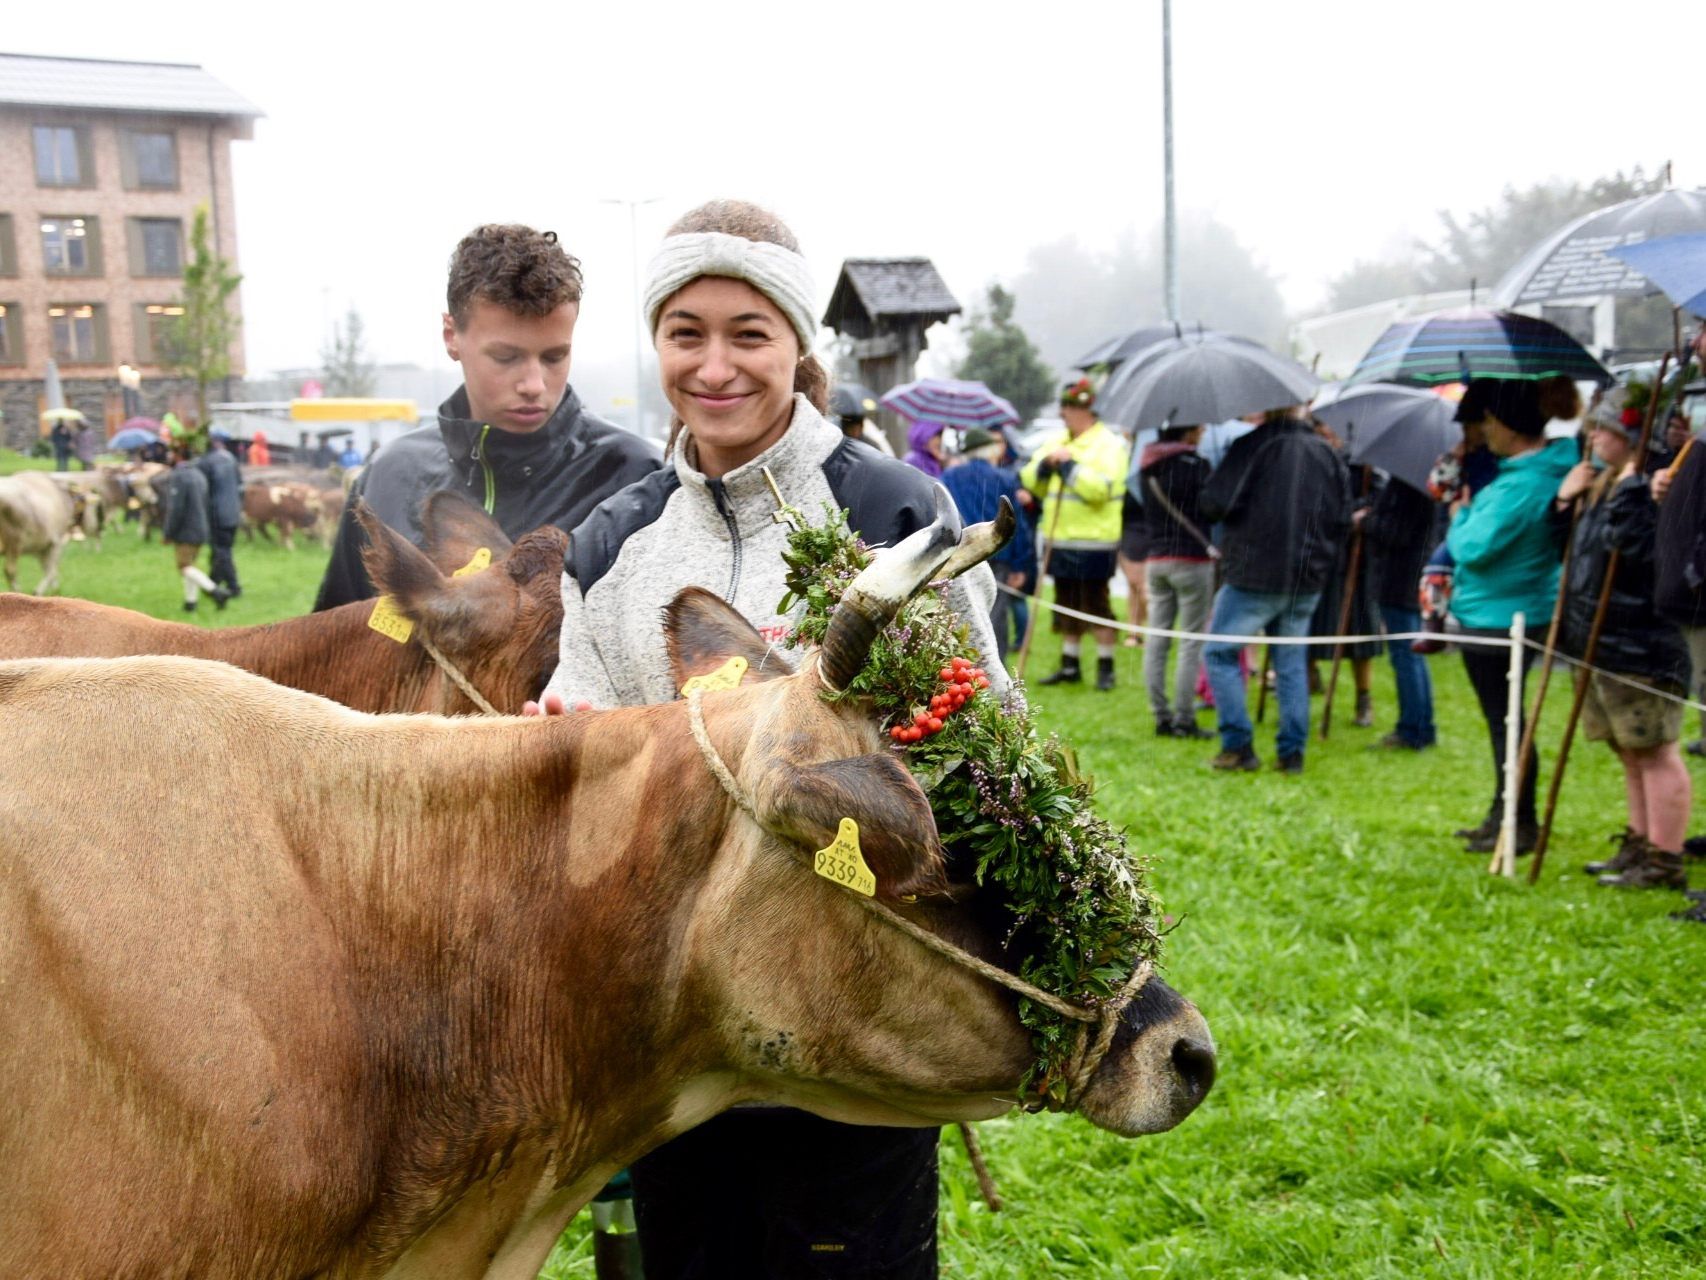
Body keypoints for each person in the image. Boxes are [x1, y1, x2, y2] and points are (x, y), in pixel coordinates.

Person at [536, 199, 1004, 1279]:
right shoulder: (614, 541)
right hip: (677, 1026)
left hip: (856, 1017)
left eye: (747, 332)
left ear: (797, 342)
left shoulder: (890, 513)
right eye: (684, 331)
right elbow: (582, 721)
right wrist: (568, 741)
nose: (714, 364)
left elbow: (985, 743)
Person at [314, 223, 660, 610]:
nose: (533, 383)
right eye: (506, 357)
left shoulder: (636, 479)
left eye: (554, 357)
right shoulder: (389, 475)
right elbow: (332, 649)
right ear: (451, 335)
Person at [1552, 399, 1693, 890]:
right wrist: (1565, 502)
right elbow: (1571, 554)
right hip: (1599, 638)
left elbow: (1641, 551)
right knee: (1629, 751)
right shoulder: (1600, 485)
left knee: (1655, 750)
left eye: (1602, 431)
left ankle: (1664, 858)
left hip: (1641, 642)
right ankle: (1639, 842)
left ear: (1630, 436)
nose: (1592, 439)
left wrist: (1634, 489)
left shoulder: (1656, 485)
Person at [1444, 377, 1579, 854]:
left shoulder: (1523, 483)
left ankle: (1518, 822)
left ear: (1505, 425)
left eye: (1487, 421)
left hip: (1501, 616)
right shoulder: (1541, 470)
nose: (1485, 430)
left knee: (1507, 723)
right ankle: (1504, 812)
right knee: (1505, 721)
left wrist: (1460, 516)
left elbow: (1473, 548)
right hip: (1512, 608)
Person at [1198, 406, 1350, 774]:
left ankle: (1238, 746)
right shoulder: (1325, 450)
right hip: (1305, 574)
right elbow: (1343, 516)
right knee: (1291, 663)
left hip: (1256, 572)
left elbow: (1214, 504)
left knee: (1219, 654)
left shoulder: (1253, 446)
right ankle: (1291, 753)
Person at [1019, 377, 1129, 691]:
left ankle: (1106, 667)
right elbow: (1029, 479)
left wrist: (1070, 468)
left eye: (1070, 408)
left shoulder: (1109, 444)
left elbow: (1102, 490)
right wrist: (1045, 467)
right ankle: (1070, 665)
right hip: (1059, 539)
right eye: (1065, 408)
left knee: (1096, 604)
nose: (1065, 414)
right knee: (1064, 602)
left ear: (1087, 410)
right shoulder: (1057, 441)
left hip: (1095, 541)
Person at [1136, 423, 1215, 737]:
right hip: (1192, 558)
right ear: (1189, 432)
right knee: (1190, 641)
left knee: (1156, 641)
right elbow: (1211, 509)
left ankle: (1161, 715)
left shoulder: (1147, 466)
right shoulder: (1199, 466)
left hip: (1157, 559)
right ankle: (1184, 718)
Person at [1359, 470, 1441, 749]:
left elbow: (1395, 532)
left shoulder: (1409, 485)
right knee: (1412, 655)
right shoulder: (1417, 482)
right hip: (1409, 576)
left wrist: (1366, 521)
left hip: (1401, 578)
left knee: (1406, 656)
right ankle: (1420, 725)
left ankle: (1413, 728)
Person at [940, 426, 1025, 660]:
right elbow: (1017, 525)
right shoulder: (1004, 478)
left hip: (961, 554)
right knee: (995, 616)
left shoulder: (948, 477)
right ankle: (995, 668)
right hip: (998, 555)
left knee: (961, 614)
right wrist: (1020, 565)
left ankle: (963, 666)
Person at [161, 444, 230, 613]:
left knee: (184, 566)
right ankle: (190, 603)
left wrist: (168, 532)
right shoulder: (199, 474)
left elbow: (175, 509)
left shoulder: (179, 476)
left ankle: (216, 591)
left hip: (186, 531)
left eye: (172, 452)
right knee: (190, 566)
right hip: (201, 528)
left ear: (178, 455)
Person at [196, 430, 244, 600]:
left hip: (216, 514)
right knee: (221, 550)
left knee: (222, 551)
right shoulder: (230, 458)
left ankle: (233, 587)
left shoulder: (204, 463)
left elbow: (201, 492)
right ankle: (212, 582)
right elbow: (240, 486)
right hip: (233, 511)